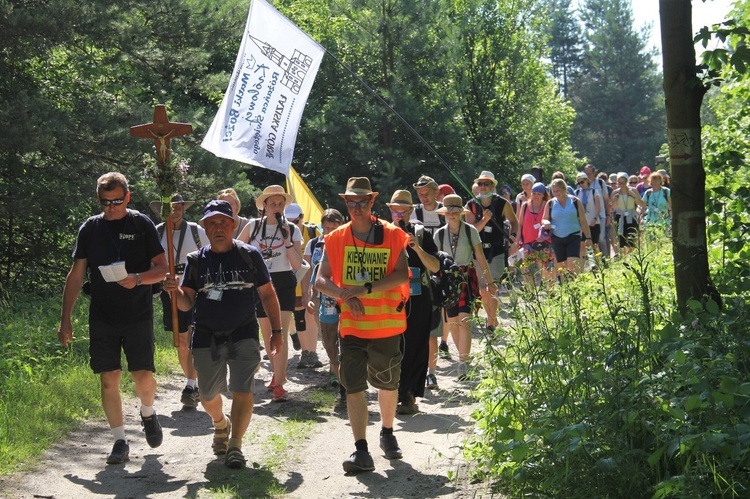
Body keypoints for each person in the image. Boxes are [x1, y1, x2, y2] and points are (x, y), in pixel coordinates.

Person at [58, 172, 168, 465]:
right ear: (99, 200)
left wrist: (137, 278)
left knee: (142, 375)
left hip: (137, 312)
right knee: (109, 378)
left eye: (117, 201)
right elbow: (76, 274)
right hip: (103, 314)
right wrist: (65, 319)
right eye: (106, 203)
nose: (112, 208)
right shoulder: (90, 229)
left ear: (128, 197)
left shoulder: (141, 224)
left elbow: (162, 268)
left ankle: (147, 412)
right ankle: (120, 440)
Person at [163, 200, 283, 469]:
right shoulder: (196, 261)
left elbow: (267, 293)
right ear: (205, 227)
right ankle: (221, 424)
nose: (218, 228)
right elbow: (186, 302)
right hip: (207, 335)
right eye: (212, 223)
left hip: (244, 333)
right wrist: (174, 290)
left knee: (243, 389)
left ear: (233, 225)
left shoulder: (250, 255)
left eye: (223, 222)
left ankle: (235, 445)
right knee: (206, 395)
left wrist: (276, 331)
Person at [314, 177, 410, 474]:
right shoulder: (336, 237)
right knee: (353, 385)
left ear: (372, 202)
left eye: (362, 201)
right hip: (352, 326)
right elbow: (320, 281)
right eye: (351, 202)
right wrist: (344, 294)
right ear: (345, 203)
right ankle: (361, 450)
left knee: (387, 384)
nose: (357, 206)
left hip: (387, 325)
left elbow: (402, 275)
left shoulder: (393, 234)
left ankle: (387, 431)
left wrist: (366, 289)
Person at [238, 185, 303, 402]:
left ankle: (280, 382)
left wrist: (286, 242)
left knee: (281, 333)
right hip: (260, 283)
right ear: (264, 205)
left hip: (284, 281)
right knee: (267, 334)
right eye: (272, 203)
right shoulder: (253, 226)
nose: (277, 207)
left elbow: (296, 264)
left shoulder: (293, 230)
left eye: (280, 204)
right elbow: (236, 251)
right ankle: (276, 375)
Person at [150, 194, 209, 408]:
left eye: (178, 207)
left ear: (184, 208)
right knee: (181, 340)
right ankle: (193, 384)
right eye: (170, 208)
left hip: (193, 287)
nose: (174, 211)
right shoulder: (156, 232)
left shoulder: (196, 231)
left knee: (193, 337)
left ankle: (191, 385)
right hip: (169, 289)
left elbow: (209, 256)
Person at [388, 190, 439, 414]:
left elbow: (436, 266)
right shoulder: (382, 233)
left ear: (411, 211)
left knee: (417, 345)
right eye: (395, 209)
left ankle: (409, 394)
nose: (399, 214)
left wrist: (416, 246)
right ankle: (393, 391)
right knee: (393, 346)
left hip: (418, 297)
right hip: (390, 297)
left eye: (403, 210)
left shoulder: (422, 233)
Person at [435, 194, 495, 378]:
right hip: (447, 279)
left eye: (455, 212)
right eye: (448, 212)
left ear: (461, 212)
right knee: (452, 322)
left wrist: (490, 281)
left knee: (465, 320)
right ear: (444, 214)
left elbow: (480, 257)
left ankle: (463, 363)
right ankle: (462, 358)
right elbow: (434, 261)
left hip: (467, 277)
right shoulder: (440, 234)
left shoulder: (470, 231)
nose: (451, 215)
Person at [465, 171, 518, 331]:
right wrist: (484, 220)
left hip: (496, 251)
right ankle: (491, 318)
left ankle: (490, 322)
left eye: (486, 184)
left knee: (492, 286)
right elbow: (471, 230)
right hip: (477, 251)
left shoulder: (503, 203)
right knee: (482, 289)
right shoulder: (471, 205)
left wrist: (514, 235)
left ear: (492, 186)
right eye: (480, 183)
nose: (482, 187)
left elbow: (514, 222)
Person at [409, 175, 448, 381]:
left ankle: (431, 372)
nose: (423, 198)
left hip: (438, 271)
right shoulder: (413, 212)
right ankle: (419, 369)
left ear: (436, 192)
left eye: (427, 193)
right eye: (420, 194)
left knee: (433, 327)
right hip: (416, 272)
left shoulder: (444, 211)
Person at [304, 209, 346, 398]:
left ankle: (344, 384)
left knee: (346, 342)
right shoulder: (315, 244)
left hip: (345, 300)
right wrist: (309, 296)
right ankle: (335, 369)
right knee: (328, 340)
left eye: (333, 227)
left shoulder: (348, 242)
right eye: (326, 227)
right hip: (323, 301)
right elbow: (311, 272)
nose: (329, 231)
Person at [285, 203, 321, 369]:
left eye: (296, 220)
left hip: (308, 282)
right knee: (299, 318)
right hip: (291, 284)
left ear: (302, 218)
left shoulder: (313, 233)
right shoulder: (281, 233)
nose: (293, 223)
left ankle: (311, 352)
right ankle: (305, 351)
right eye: (289, 220)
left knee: (310, 317)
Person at [541, 178, 592, 277]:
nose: (556, 193)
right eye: (554, 191)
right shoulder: (550, 203)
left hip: (573, 236)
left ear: (564, 189)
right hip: (557, 238)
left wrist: (588, 237)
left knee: (573, 264)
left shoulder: (575, 201)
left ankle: (576, 286)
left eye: (558, 190)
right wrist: (546, 222)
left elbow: (583, 221)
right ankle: (565, 287)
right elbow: (544, 219)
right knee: (562, 268)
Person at [516, 182, 556, 290]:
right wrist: (517, 241)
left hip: (546, 243)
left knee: (548, 271)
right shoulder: (525, 206)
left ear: (543, 194)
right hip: (529, 244)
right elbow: (520, 225)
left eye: (539, 193)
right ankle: (531, 295)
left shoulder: (548, 205)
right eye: (534, 193)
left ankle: (551, 294)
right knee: (529, 271)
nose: (536, 196)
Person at [611, 172, 646, 254]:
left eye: (623, 182)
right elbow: (612, 207)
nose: (621, 185)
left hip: (631, 216)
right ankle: (624, 257)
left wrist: (634, 196)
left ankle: (632, 255)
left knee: (632, 239)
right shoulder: (615, 192)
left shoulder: (633, 190)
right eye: (619, 183)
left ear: (626, 182)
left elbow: (642, 204)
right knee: (621, 241)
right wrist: (614, 200)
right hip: (620, 217)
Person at [574, 172, 602, 262]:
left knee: (594, 245)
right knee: (582, 246)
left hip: (593, 222)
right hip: (582, 223)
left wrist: (594, 218)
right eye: (578, 183)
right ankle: (582, 269)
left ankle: (598, 264)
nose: (580, 185)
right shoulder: (577, 192)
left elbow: (598, 206)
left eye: (582, 182)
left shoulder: (594, 191)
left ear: (587, 180)